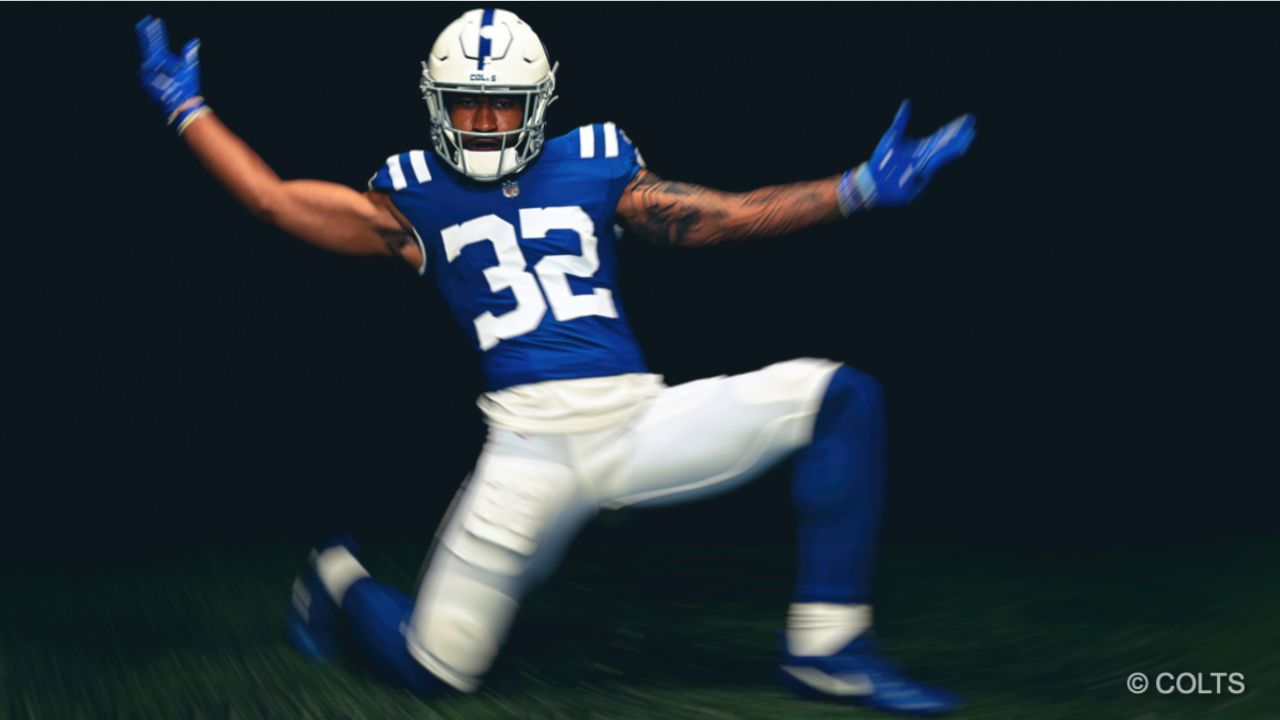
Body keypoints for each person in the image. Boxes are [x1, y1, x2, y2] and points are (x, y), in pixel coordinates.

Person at [136, 8, 975, 716]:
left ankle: (827, 647)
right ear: (438, 104)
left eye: (504, 105)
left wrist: (856, 187)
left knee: (840, 397)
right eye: (468, 104)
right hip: (526, 457)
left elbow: (719, 217)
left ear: (538, 103)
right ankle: (338, 578)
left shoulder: (595, 161)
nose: (486, 123)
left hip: (640, 423)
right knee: (437, 669)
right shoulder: (411, 195)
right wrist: (187, 108)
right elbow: (273, 199)